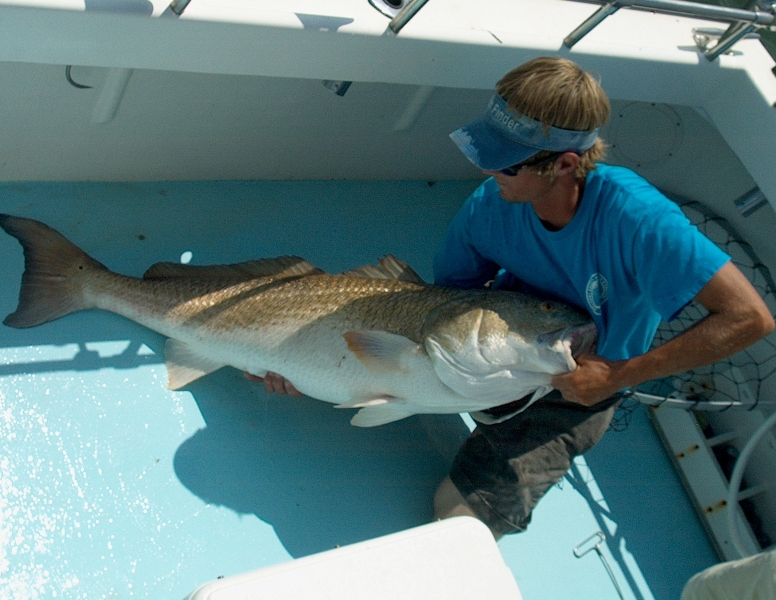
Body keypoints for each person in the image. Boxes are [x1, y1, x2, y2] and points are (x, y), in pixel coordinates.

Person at [246, 56, 775, 539]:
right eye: (487, 151)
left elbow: (750, 317)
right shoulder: (491, 202)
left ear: (565, 164)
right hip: (485, 346)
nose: (486, 170)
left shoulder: (640, 221)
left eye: (507, 163)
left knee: (457, 518)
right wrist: (293, 356)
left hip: (579, 387)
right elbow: (444, 299)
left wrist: (616, 376)